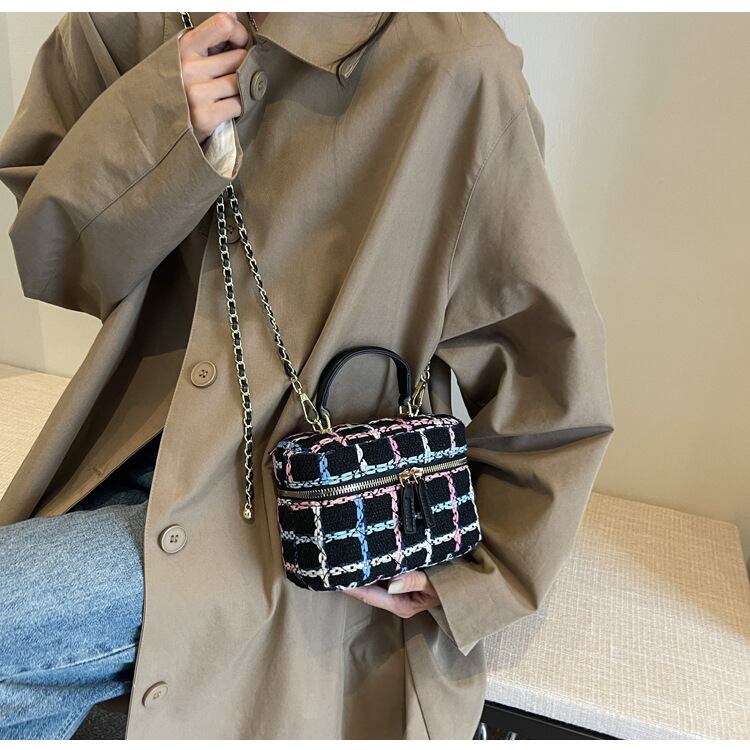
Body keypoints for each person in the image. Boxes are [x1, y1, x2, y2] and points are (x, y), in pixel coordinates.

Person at [0, 11, 615, 740]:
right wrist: (158, 123)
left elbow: (545, 360)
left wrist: (484, 571)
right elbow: (56, 259)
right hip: (124, 457)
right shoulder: (124, 24)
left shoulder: (451, 66)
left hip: (305, 512)